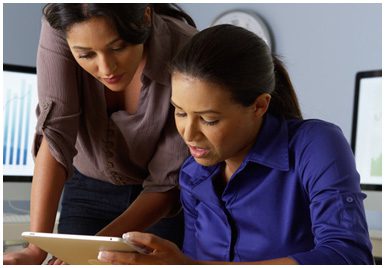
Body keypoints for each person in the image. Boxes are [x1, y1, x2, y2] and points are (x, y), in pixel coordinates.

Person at [95, 24, 374, 265]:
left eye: (209, 119)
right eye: (179, 112)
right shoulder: (193, 174)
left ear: (259, 106)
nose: (188, 134)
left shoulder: (315, 145)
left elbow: (347, 255)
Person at [3, 3, 197, 265]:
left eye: (118, 47)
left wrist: (91, 252)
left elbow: (167, 181)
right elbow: (56, 135)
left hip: (160, 197)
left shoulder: (186, 48)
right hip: (87, 185)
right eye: (86, 55)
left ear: (146, 18)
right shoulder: (60, 28)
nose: (106, 69)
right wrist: (35, 248)